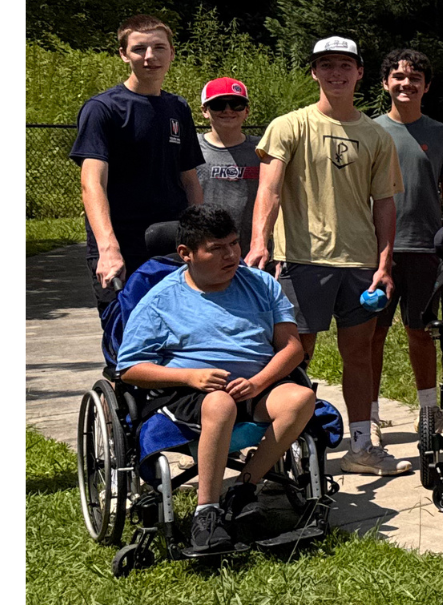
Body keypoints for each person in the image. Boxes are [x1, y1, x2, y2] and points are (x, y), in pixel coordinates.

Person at [247, 36, 407, 477]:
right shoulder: (289, 125)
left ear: (359, 73)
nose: (336, 73)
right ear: (314, 72)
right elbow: (270, 189)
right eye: (326, 65)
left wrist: (384, 262)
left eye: (345, 65)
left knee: (359, 354)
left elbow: (386, 204)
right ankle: (287, 450)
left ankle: (360, 447)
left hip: (358, 265)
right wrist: (261, 243)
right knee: (296, 353)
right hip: (301, 259)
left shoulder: (376, 135)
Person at [117, 204, 317, 556]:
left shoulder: (261, 284)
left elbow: (292, 348)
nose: (232, 255)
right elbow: (130, 367)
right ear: (186, 254)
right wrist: (190, 376)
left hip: (257, 385)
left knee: (300, 398)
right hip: (191, 391)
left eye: (235, 244)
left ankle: (244, 488)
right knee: (221, 403)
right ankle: (206, 513)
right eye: (217, 248)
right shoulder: (161, 300)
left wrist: (258, 382)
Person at [71, 15, 204, 315]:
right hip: (121, 245)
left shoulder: (177, 108)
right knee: (124, 339)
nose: (150, 57)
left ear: (171, 52)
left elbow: (190, 180)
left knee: (178, 335)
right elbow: (91, 183)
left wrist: (199, 235)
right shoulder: (103, 109)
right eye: (139, 48)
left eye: (159, 47)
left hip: (172, 242)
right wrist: (108, 248)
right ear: (123, 54)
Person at [371, 48, 443, 448]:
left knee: (421, 333)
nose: (405, 84)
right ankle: (368, 414)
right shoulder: (368, 131)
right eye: (398, 76)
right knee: (370, 335)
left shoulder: (442, 135)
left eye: (415, 78)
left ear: (426, 86)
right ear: (385, 83)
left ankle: (430, 410)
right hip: (374, 253)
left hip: (426, 250)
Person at [194, 77, 261, 257]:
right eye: (218, 105)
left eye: (236, 104)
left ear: (246, 111)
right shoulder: (190, 148)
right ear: (204, 111)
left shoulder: (264, 149)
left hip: (253, 252)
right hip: (205, 251)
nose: (227, 110)